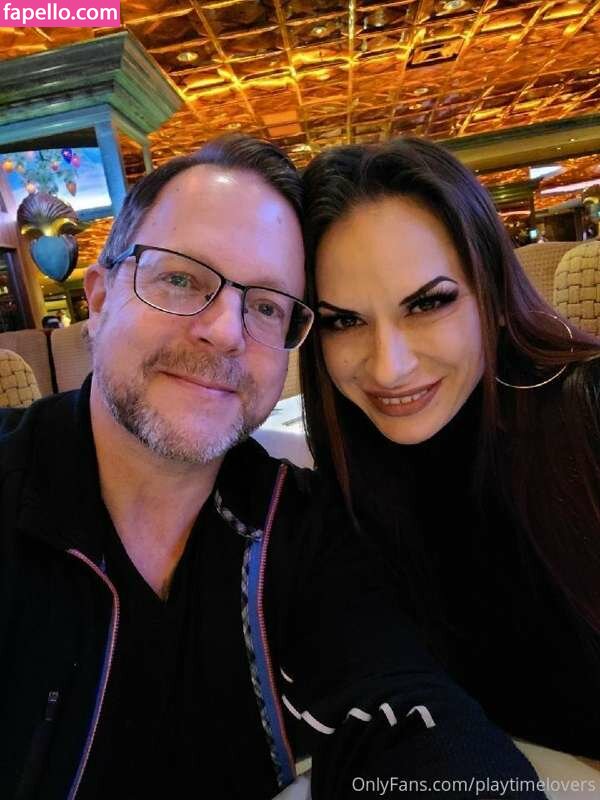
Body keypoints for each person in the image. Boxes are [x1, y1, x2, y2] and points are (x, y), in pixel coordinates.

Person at [0, 135, 545, 800]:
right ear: (100, 297)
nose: (226, 331)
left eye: (264, 304)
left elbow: (417, 716)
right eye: (180, 278)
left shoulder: (301, 528)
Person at [301, 137, 600, 763]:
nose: (389, 367)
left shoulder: (586, 412)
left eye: (429, 303)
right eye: (344, 321)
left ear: (492, 294)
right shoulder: (349, 481)